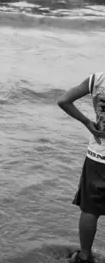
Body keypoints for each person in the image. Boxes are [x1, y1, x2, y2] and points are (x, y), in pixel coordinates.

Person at [58, 74, 105, 263]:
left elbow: (63, 100)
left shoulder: (98, 79)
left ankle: (85, 255)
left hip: (98, 156)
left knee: (90, 210)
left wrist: (87, 122)